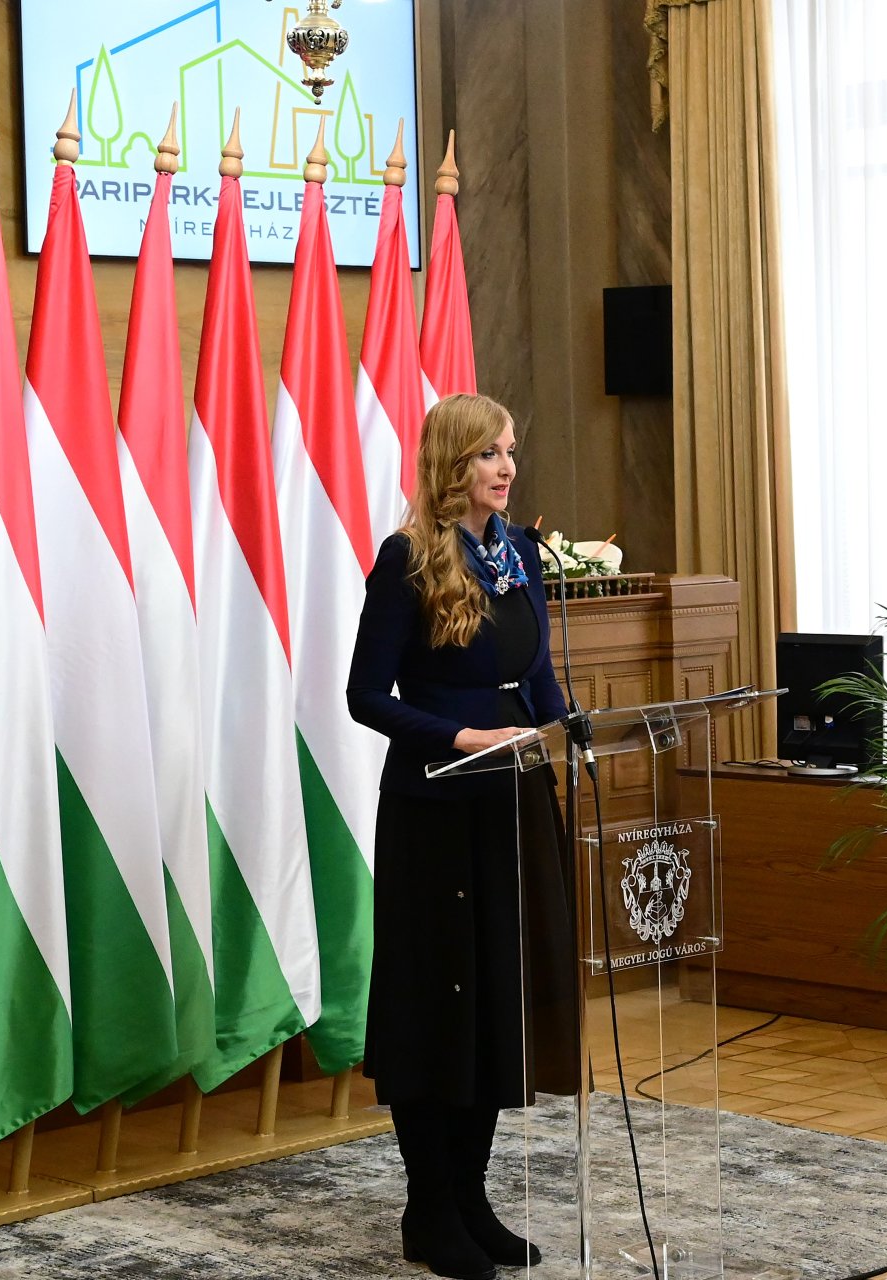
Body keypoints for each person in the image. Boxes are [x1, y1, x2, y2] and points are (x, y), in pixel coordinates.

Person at [347, 393, 579, 1280]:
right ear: (454, 465)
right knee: (435, 1005)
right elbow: (366, 696)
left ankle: (473, 1197)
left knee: (494, 999)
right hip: (436, 808)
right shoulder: (407, 560)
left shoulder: (521, 554)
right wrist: (457, 736)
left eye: (512, 450)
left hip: (514, 800)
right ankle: (428, 1208)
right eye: (490, 454)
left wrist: (578, 732)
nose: (507, 467)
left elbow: (538, 675)